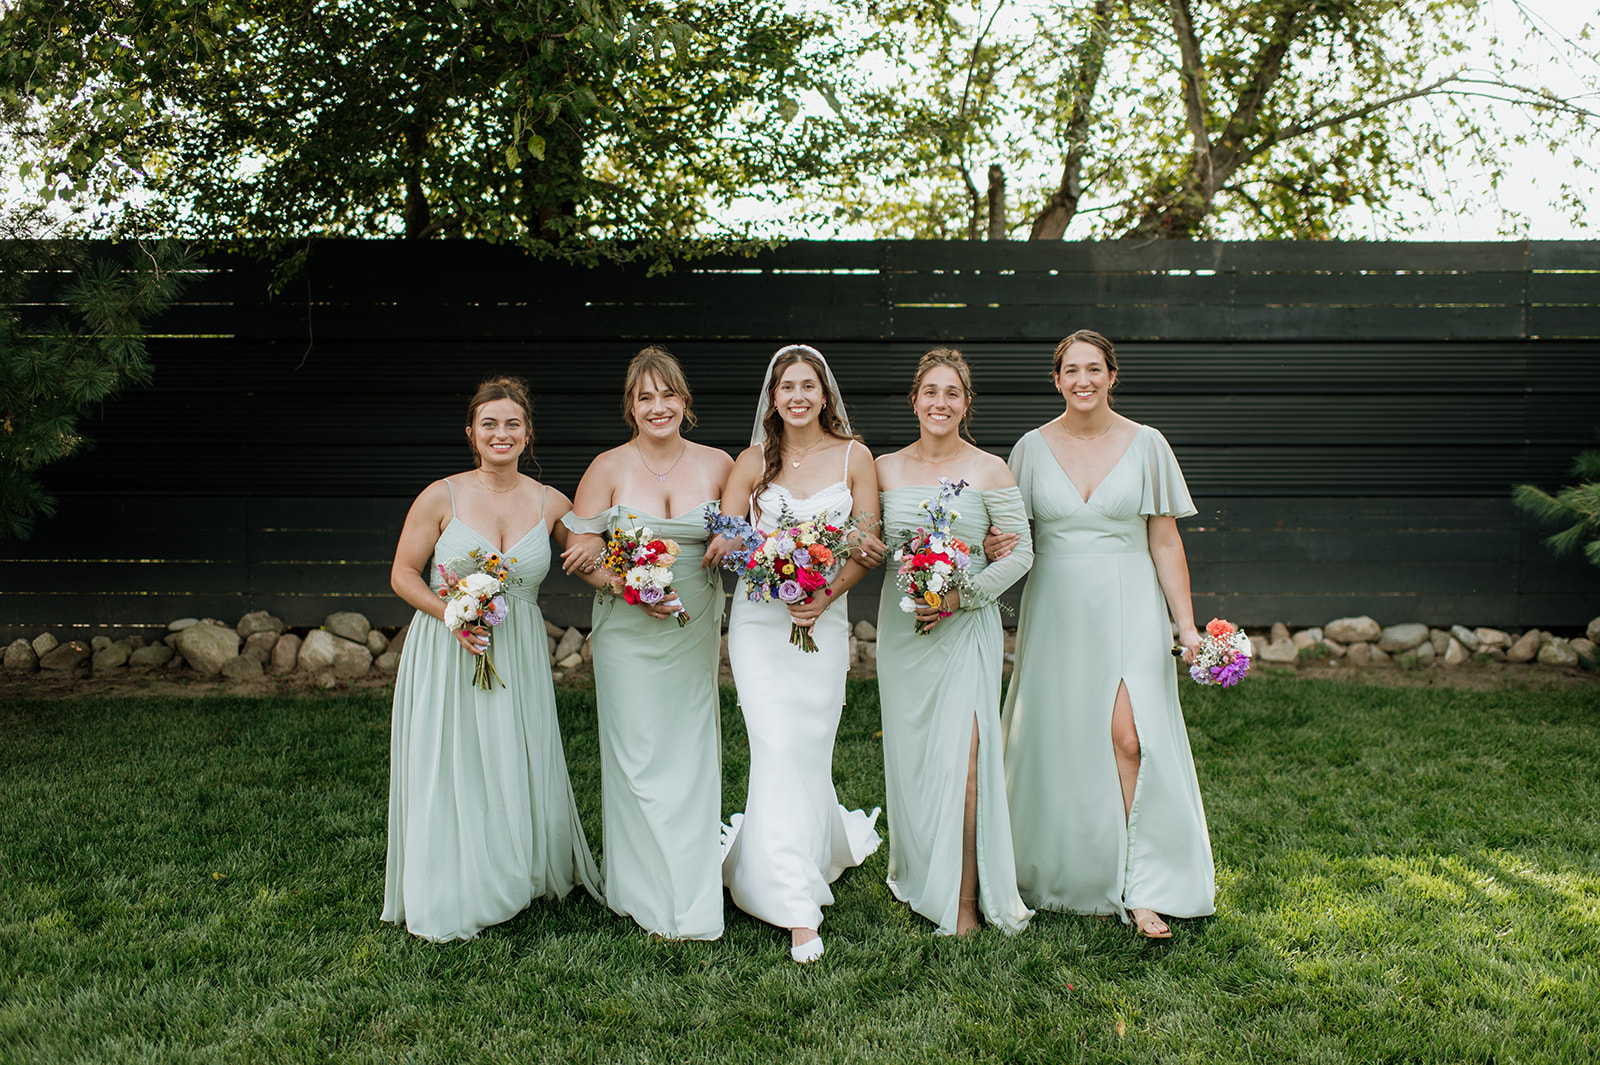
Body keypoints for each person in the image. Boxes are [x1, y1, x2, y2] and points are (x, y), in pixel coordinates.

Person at [998, 330, 1215, 939]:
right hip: (1058, 609)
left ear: (1111, 376)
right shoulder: (1030, 449)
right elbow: (1010, 535)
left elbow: (1165, 538)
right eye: (1071, 370)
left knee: (1130, 738)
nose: (1083, 380)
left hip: (1131, 605)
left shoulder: (1148, 445)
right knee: (1061, 737)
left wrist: (1186, 624)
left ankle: (1142, 886)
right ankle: (1078, 874)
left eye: (1094, 369)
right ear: (1057, 379)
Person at [382, 375, 602, 942]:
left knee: (512, 755)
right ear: (471, 434)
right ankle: (456, 878)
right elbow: (403, 574)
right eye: (489, 424)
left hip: (519, 650)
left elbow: (592, 554)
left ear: (527, 434)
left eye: (512, 424)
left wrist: (645, 584)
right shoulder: (441, 495)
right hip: (447, 646)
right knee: (455, 759)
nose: (500, 434)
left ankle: (514, 868)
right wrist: (449, 614)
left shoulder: (553, 501)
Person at [706, 343, 886, 964]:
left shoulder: (854, 457)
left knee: (809, 746)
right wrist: (761, 558)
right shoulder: (752, 461)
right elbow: (727, 535)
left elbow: (866, 543)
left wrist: (821, 592)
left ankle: (806, 852)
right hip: (759, 623)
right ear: (773, 397)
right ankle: (792, 905)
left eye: (809, 386)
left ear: (825, 394)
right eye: (788, 387)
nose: (799, 396)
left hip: (823, 619)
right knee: (775, 745)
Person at [557, 346, 734, 940]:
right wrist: (619, 581)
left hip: (694, 625)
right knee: (635, 755)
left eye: (668, 395)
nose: (658, 407)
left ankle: (690, 890)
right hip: (627, 633)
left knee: (689, 750)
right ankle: (640, 891)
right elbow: (578, 553)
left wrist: (732, 546)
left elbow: (746, 535)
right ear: (630, 408)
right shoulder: (608, 467)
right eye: (645, 397)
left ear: (685, 401)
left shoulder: (718, 465)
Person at [874, 349, 1034, 937]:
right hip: (903, 631)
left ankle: (965, 899)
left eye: (953, 393)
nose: (940, 403)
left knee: (966, 762)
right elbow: (868, 543)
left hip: (965, 627)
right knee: (916, 759)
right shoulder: (883, 468)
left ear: (966, 404)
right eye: (930, 392)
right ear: (914, 400)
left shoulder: (990, 468)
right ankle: (921, 874)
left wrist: (961, 596)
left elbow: (1021, 551)